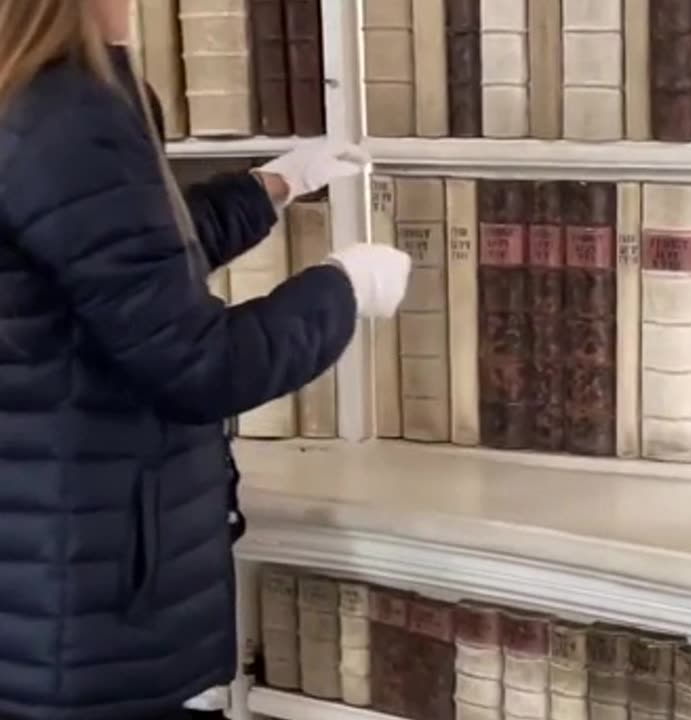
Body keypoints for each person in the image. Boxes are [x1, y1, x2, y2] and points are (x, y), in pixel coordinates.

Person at [0, 1, 412, 718]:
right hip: (91, 602)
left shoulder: (31, 93)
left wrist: (270, 188)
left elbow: (119, 261)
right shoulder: (68, 108)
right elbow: (200, 365)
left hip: (46, 578)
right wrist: (342, 291)